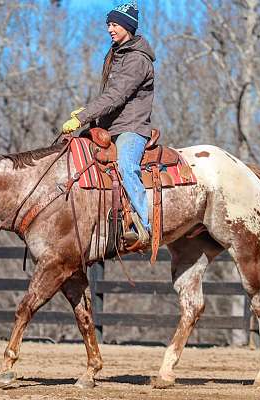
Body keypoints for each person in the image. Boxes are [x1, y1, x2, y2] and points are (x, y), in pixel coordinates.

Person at [62, 1, 155, 247]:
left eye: (114, 24)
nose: (110, 29)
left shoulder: (137, 60)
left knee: (126, 165)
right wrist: (88, 115)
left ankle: (144, 225)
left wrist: (82, 117)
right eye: (108, 25)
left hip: (132, 128)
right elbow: (112, 94)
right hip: (111, 127)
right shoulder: (116, 54)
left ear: (128, 26)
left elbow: (116, 96)